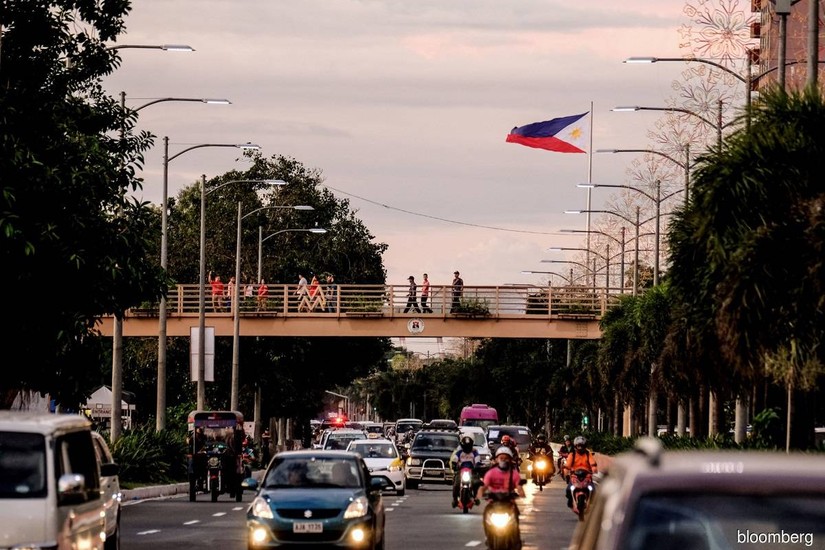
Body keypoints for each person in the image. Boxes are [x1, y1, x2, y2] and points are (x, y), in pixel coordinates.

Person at [475, 446, 525, 530]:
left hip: (509, 502)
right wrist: (479, 495)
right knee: (486, 514)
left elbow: (519, 486)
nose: (503, 460)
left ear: (510, 460)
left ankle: (516, 537)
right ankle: (489, 534)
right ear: (496, 459)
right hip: (494, 502)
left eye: (506, 458)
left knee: (516, 514)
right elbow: (484, 486)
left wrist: (521, 493)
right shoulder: (491, 473)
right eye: (501, 458)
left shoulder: (514, 473)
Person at [564, 436, 599, 508]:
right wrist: (566, 474)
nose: (580, 448)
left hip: (587, 475)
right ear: (575, 446)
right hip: (574, 476)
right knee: (568, 490)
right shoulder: (572, 455)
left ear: (585, 446)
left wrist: (594, 469)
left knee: (593, 490)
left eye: (581, 446)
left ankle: (592, 503)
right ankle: (570, 499)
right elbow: (567, 466)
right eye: (578, 446)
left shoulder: (588, 454)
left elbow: (593, 463)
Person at [450, 435, 481, 508]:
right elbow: (455, 459)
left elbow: (477, 460)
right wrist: (454, 464)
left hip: (472, 471)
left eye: (468, 446)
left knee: (476, 483)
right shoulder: (459, 452)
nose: (467, 448)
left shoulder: (474, 452)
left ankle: (476, 497)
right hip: (461, 471)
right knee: (456, 484)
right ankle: (455, 500)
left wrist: (477, 466)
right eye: (465, 446)